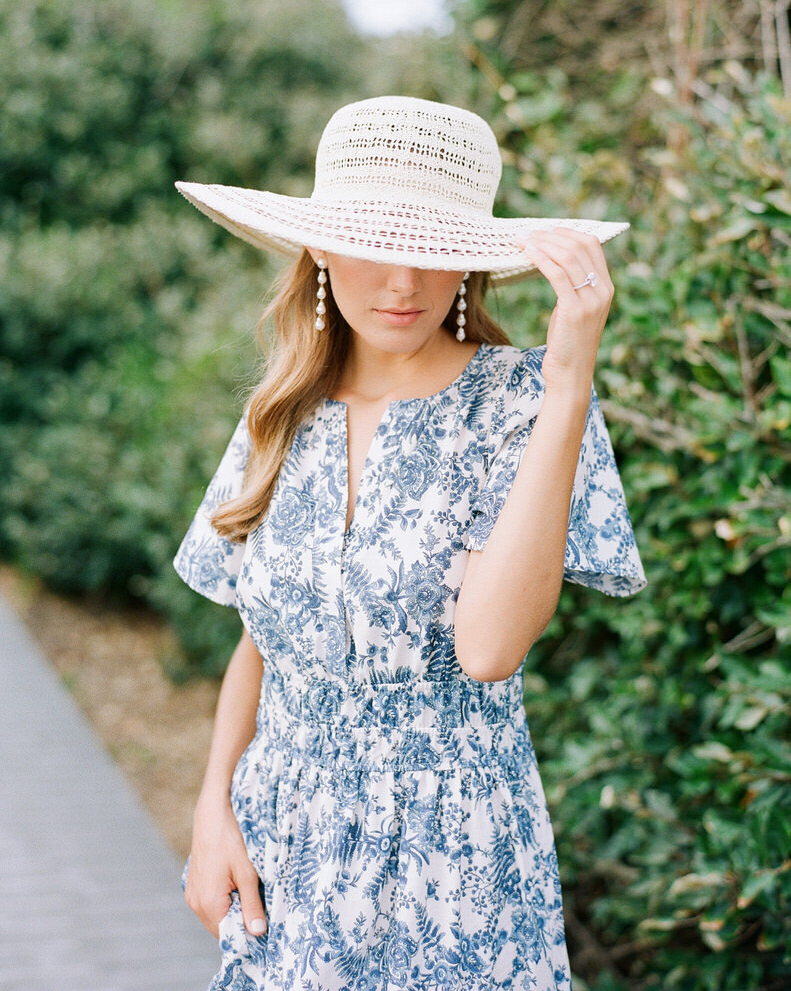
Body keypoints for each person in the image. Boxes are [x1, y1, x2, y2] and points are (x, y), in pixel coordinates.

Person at [171, 95, 647, 991]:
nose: (404, 284)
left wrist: (569, 384)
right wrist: (210, 814)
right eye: (377, 243)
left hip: (453, 860)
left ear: (470, 264)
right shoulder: (277, 415)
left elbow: (489, 648)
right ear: (319, 245)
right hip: (284, 850)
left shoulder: (518, 406)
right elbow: (263, 640)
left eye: (433, 251)